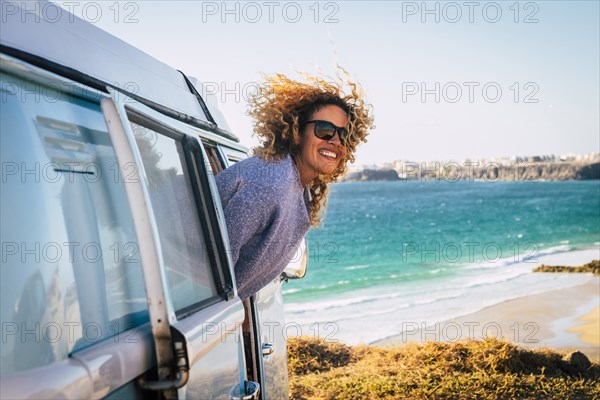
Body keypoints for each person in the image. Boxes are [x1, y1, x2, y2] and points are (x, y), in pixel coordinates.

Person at [216, 71, 374, 300]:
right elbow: (215, 271)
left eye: (345, 134)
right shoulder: (270, 184)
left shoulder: (297, 187)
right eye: (325, 130)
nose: (336, 141)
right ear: (297, 132)